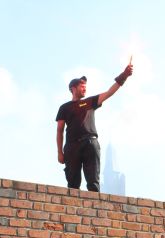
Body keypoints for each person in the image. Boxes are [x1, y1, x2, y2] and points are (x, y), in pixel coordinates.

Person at [55, 62, 133, 192]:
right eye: (82, 86)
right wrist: (59, 152)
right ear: (73, 88)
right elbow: (59, 131)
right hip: (72, 146)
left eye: (86, 86)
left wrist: (124, 75)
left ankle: (95, 209)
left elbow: (109, 92)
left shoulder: (89, 102)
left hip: (90, 144)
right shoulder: (65, 108)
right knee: (73, 184)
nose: (85, 88)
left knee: (93, 183)